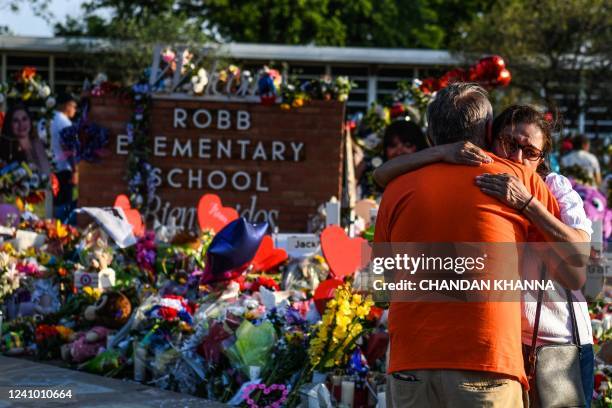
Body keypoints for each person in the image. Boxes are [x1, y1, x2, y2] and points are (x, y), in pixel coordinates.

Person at [374, 104, 593, 406]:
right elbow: (381, 173)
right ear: (490, 137)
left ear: (543, 157)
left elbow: (579, 268)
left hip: (553, 342)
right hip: (504, 346)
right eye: (509, 143)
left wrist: (527, 204)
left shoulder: (548, 186)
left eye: (530, 152)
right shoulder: (489, 175)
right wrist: (441, 152)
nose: (518, 157)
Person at [50, 93, 78, 222]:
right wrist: (75, 169)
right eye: (73, 106)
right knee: (64, 202)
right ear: (66, 105)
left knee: (53, 201)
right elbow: (68, 147)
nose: (75, 110)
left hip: (51, 165)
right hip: (64, 167)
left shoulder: (49, 119)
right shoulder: (65, 122)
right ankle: (60, 229)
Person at [0, 104, 51, 175]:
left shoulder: (39, 143)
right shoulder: (5, 147)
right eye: (16, 120)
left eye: (24, 119)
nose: (21, 124)